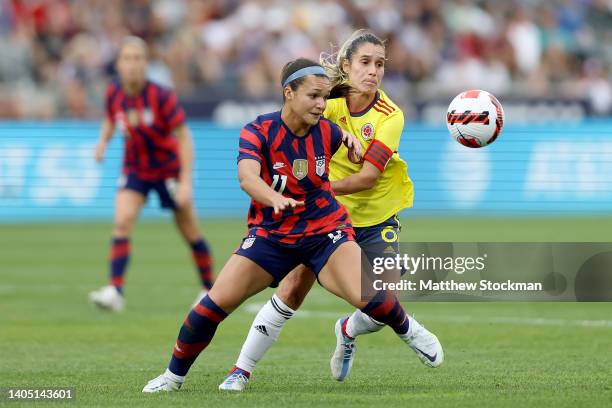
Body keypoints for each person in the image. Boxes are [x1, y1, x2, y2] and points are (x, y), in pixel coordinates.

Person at [142, 58, 438, 393]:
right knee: (211, 307)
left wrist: (351, 141)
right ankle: (173, 377)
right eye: (313, 96)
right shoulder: (259, 131)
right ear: (288, 93)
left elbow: (340, 134)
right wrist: (272, 197)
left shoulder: (326, 130)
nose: (321, 105)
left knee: (374, 298)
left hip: (325, 232)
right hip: (272, 235)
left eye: (324, 98)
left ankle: (410, 331)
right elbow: (247, 178)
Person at [218, 30, 443, 392]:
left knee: (385, 303)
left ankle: (346, 329)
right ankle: (241, 370)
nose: (373, 71)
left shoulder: (390, 115)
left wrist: (312, 188)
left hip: (375, 214)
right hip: (324, 217)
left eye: (380, 64)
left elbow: (368, 176)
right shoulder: (324, 99)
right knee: (292, 289)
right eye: (365, 62)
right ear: (347, 66)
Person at [88, 36, 213, 312]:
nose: (132, 64)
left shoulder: (161, 96)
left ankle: (208, 289)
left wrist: (185, 181)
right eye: (126, 58)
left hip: (168, 170)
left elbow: (184, 138)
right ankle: (115, 291)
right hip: (135, 168)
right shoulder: (113, 93)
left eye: (137, 58)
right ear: (119, 64)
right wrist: (102, 143)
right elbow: (111, 118)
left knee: (189, 230)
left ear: (146, 63)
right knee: (122, 220)